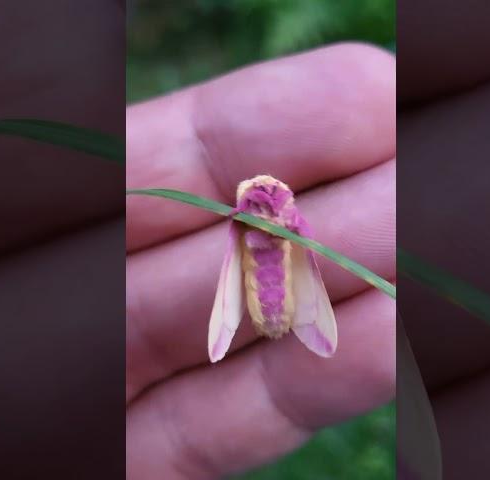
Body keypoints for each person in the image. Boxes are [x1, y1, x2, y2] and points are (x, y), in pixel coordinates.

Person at [126, 43, 397, 478]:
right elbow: (246, 234)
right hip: (258, 286)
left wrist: (290, 230)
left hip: (283, 287)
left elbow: (299, 239)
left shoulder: (281, 222)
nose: (264, 205)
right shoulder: (241, 226)